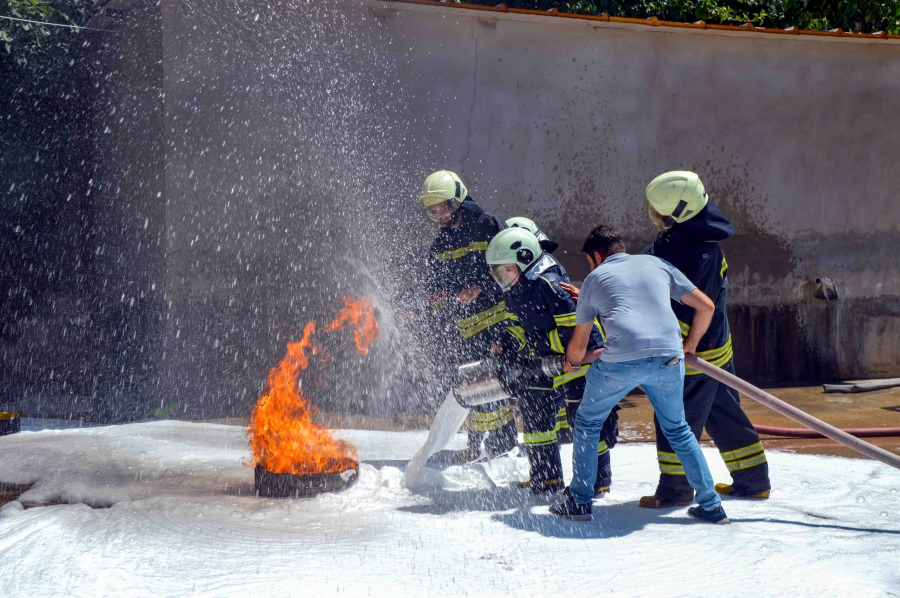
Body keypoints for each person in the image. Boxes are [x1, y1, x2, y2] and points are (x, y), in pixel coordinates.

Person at [549, 224, 729, 524]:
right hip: (669, 360)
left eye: (590, 261)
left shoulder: (595, 277)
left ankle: (579, 501)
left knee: (588, 422)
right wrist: (690, 346)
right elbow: (706, 306)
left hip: (620, 362)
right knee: (680, 431)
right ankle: (711, 505)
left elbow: (579, 344)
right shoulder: (657, 263)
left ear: (596, 256)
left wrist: (570, 364)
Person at [640, 171, 770, 507]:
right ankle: (753, 480)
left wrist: (682, 348)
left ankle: (675, 491)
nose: (652, 215)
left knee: (674, 417)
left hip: (697, 350)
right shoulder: (676, 240)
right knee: (722, 413)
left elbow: (699, 309)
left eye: (656, 210)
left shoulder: (703, 255)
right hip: (712, 348)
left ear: (675, 213)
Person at [485, 227, 619, 495]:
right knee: (535, 413)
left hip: (582, 360)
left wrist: (538, 347)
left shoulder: (550, 286)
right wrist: (508, 343)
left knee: (584, 419)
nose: (501, 277)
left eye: (506, 270)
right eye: (497, 272)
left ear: (525, 260)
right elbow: (517, 324)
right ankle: (546, 478)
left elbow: (575, 332)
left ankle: (598, 479)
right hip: (549, 360)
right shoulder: (513, 291)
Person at [419, 170, 518, 461]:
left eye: (443, 207)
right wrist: (424, 306)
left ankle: (501, 444)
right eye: (433, 210)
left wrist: (481, 286)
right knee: (474, 385)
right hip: (469, 329)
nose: (439, 215)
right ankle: (479, 445)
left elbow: (510, 268)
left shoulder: (487, 225)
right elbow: (436, 287)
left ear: (458, 201)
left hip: (499, 322)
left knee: (493, 381)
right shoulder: (440, 244)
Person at [505, 217, 573, 442]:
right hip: (551, 351)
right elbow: (519, 318)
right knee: (550, 403)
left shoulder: (544, 276)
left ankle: (558, 440)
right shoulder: (526, 278)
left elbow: (565, 324)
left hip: (559, 351)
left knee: (552, 400)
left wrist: (539, 346)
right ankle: (557, 441)